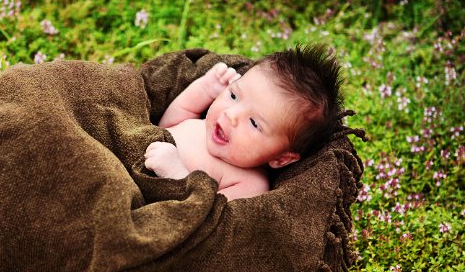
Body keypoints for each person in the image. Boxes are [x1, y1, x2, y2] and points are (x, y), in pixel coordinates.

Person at [144, 44, 343, 201]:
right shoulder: (201, 123)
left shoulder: (251, 183)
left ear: (281, 158)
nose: (232, 114)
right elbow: (166, 124)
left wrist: (176, 173)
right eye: (233, 95)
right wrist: (205, 88)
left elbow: (209, 214)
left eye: (255, 123)